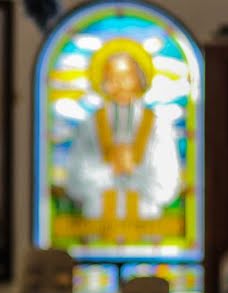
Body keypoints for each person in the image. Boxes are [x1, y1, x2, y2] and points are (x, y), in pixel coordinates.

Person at [65, 37, 181, 223]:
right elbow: (75, 182)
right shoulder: (89, 125)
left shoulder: (158, 126)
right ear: (103, 83)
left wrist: (132, 170)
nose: (119, 84)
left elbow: (167, 184)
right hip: (96, 223)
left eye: (126, 76)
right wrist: (109, 169)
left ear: (139, 79)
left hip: (148, 225)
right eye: (111, 78)